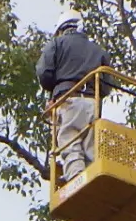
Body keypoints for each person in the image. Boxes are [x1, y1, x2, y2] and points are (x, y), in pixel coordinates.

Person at [37, 16, 107, 183]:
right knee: (91, 147)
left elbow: (44, 73)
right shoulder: (98, 51)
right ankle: (92, 181)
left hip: (69, 99)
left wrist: (54, 90)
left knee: (70, 141)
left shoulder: (56, 44)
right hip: (92, 102)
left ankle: (77, 181)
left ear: (61, 29)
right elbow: (107, 84)